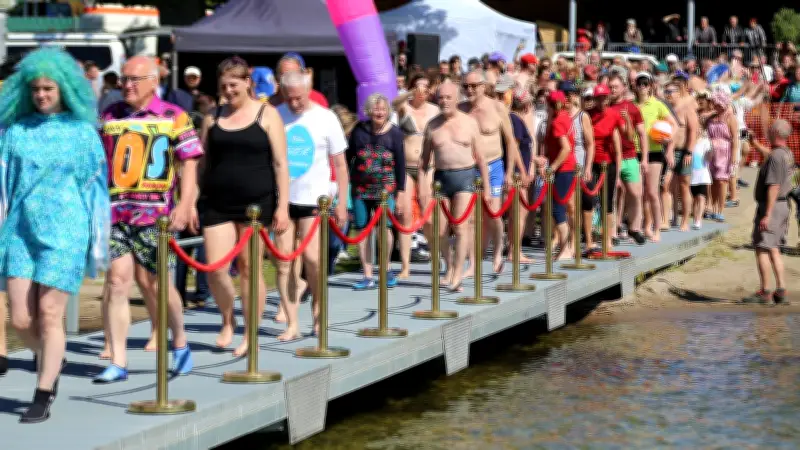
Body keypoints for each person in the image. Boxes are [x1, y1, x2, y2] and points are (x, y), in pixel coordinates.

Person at [0, 47, 109, 422]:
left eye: (48, 88)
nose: (41, 95)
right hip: (19, 233)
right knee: (20, 319)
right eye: (35, 89)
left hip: (66, 233)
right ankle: (52, 356)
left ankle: (43, 391)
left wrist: (97, 241)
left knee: (49, 313)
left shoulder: (83, 134)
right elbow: (3, 187)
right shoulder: (15, 132)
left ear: (64, 88)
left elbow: (96, 190)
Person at [95, 56, 200, 383]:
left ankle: (179, 340)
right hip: (115, 213)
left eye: (134, 79)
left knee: (159, 284)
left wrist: (186, 203)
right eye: (123, 79)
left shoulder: (174, 116)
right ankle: (118, 361)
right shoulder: (109, 115)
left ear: (154, 81)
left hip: (157, 217)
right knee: (117, 281)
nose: (126, 85)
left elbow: (190, 163)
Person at [199, 57, 290, 349]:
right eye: (223, 86)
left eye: (233, 84)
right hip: (217, 201)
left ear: (247, 83)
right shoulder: (212, 117)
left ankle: (251, 333)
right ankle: (228, 319)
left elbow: (280, 163)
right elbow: (202, 162)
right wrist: (192, 199)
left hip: (257, 203)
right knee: (215, 268)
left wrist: (282, 206)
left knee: (250, 267)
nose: (228, 91)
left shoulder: (268, 114)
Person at [275, 71, 349, 338]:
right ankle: (292, 322)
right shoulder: (276, 115)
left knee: (312, 259)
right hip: (284, 199)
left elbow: (340, 164)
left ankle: (318, 308)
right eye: (289, 98)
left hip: (314, 200)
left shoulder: (326, 118)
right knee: (284, 262)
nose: (295, 104)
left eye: (299, 98)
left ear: (309, 91)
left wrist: (342, 202)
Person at [419, 81, 489, 292]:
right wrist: (422, 188)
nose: (444, 101)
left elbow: (481, 158)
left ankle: (458, 272)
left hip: (465, 177)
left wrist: (486, 188)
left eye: (448, 97)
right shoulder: (432, 126)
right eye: (441, 97)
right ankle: (449, 266)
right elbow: (423, 162)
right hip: (441, 179)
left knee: (460, 227)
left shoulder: (469, 123)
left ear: (457, 99)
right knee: (439, 230)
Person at [459, 70, 526, 274]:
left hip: (494, 165)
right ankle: (473, 263)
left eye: (473, 86)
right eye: (465, 86)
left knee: (493, 214)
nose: (469, 90)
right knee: (471, 218)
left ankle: (497, 252)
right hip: (470, 167)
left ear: (483, 86)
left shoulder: (497, 107)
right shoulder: (461, 109)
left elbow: (510, 142)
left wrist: (509, 172)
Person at [347, 93, 406, 290]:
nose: (379, 113)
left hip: (385, 190)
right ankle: (367, 274)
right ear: (368, 111)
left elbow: (401, 165)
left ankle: (386, 268)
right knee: (362, 229)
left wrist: (401, 192)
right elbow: (348, 158)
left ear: (388, 111)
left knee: (385, 228)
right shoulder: (358, 131)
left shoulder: (395, 133)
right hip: (360, 189)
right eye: (375, 109)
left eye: (382, 109)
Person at [392, 72, 440, 278]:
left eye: (425, 86)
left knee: (428, 215)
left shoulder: (435, 110)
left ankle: (435, 255)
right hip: (406, 165)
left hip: (427, 166)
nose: (422, 90)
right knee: (404, 216)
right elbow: (394, 103)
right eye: (418, 86)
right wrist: (409, 92)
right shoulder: (405, 107)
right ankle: (405, 266)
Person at [743, 120, 793, 304]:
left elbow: (773, 186)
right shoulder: (786, 153)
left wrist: (767, 214)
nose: (768, 131)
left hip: (772, 206)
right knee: (774, 248)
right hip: (783, 205)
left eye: (770, 129)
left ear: (775, 133)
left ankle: (765, 292)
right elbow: (771, 156)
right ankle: (781, 290)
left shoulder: (775, 157)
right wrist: (755, 144)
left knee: (762, 248)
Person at [533, 90, 575, 261]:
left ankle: (566, 249)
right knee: (558, 209)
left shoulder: (558, 121)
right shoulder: (564, 116)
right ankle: (566, 247)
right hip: (565, 168)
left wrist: (552, 167)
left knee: (558, 209)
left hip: (563, 169)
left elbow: (566, 148)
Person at [634, 72, 676, 242]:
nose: (642, 87)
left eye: (645, 83)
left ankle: (657, 228)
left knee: (652, 192)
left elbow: (674, 125)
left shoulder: (657, 104)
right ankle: (645, 226)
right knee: (640, 192)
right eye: (639, 83)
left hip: (654, 151)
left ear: (650, 86)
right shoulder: (632, 105)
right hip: (635, 151)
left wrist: (669, 147)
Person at [582, 84, 623, 253]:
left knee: (607, 202)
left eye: (604, 97)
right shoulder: (587, 115)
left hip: (608, 163)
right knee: (588, 199)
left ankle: (607, 239)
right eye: (598, 98)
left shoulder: (613, 114)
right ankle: (589, 240)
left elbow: (621, 145)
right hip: (590, 163)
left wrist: (618, 174)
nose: (601, 101)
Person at [608, 74, 647, 244]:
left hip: (630, 156)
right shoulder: (605, 106)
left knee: (636, 193)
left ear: (624, 88)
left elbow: (642, 134)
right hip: (610, 157)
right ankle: (613, 231)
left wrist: (644, 158)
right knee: (613, 195)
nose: (612, 90)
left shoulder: (631, 108)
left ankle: (634, 227)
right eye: (610, 87)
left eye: (615, 87)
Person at [665, 74, 699, 231]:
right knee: (667, 185)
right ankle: (670, 217)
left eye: (670, 92)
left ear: (678, 93)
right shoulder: (666, 109)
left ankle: (685, 220)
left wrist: (689, 152)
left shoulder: (687, 109)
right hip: (669, 151)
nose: (668, 94)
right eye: (666, 91)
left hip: (683, 151)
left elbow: (693, 131)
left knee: (684, 185)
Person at [706, 89, 739, 222]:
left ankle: (720, 209)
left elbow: (735, 138)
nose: (716, 106)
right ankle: (713, 207)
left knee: (722, 180)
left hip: (725, 152)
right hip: (711, 152)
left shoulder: (730, 118)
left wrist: (734, 157)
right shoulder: (711, 117)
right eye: (715, 104)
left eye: (719, 104)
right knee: (713, 181)